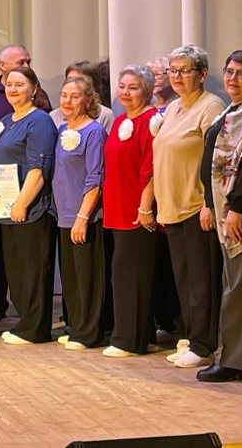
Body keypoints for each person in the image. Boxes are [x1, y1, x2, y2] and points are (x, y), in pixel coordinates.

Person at [198, 50, 242, 383]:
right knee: (235, 282)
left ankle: (241, 361)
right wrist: (210, 204)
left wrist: (237, 208)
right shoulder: (234, 109)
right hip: (226, 208)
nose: (232, 78)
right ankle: (237, 355)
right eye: (229, 71)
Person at [152, 44, 225, 369]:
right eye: (173, 70)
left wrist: (210, 203)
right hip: (172, 205)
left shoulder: (211, 106)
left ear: (202, 74)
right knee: (184, 280)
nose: (177, 76)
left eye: (185, 70)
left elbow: (217, 160)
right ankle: (191, 338)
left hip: (197, 206)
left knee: (201, 281)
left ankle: (204, 344)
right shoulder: (173, 108)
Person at [0, 66, 58, 345]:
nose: (13, 89)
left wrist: (22, 203)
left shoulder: (39, 120)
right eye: (9, 84)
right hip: (6, 209)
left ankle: (35, 329)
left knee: (34, 270)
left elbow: (39, 168)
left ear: (34, 89)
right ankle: (24, 324)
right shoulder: (6, 121)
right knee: (16, 271)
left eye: (19, 84)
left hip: (32, 209)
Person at [102, 65, 160, 358]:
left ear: (147, 91)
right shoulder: (121, 120)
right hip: (117, 209)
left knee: (131, 276)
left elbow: (151, 167)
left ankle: (129, 341)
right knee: (124, 273)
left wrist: (145, 206)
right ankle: (142, 335)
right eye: (122, 86)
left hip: (137, 212)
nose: (125, 92)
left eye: (133, 87)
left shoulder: (151, 121)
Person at [52, 75, 107, 350]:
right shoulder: (63, 129)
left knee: (88, 278)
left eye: (75, 97)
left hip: (84, 216)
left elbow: (94, 178)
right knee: (72, 278)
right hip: (63, 215)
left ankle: (89, 333)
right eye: (64, 95)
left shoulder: (94, 132)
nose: (68, 101)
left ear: (88, 100)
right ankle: (75, 327)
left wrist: (83, 218)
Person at [51, 61, 115, 130]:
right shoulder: (53, 116)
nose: (73, 83)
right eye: (70, 79)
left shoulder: (105, 115)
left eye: (79, 80)